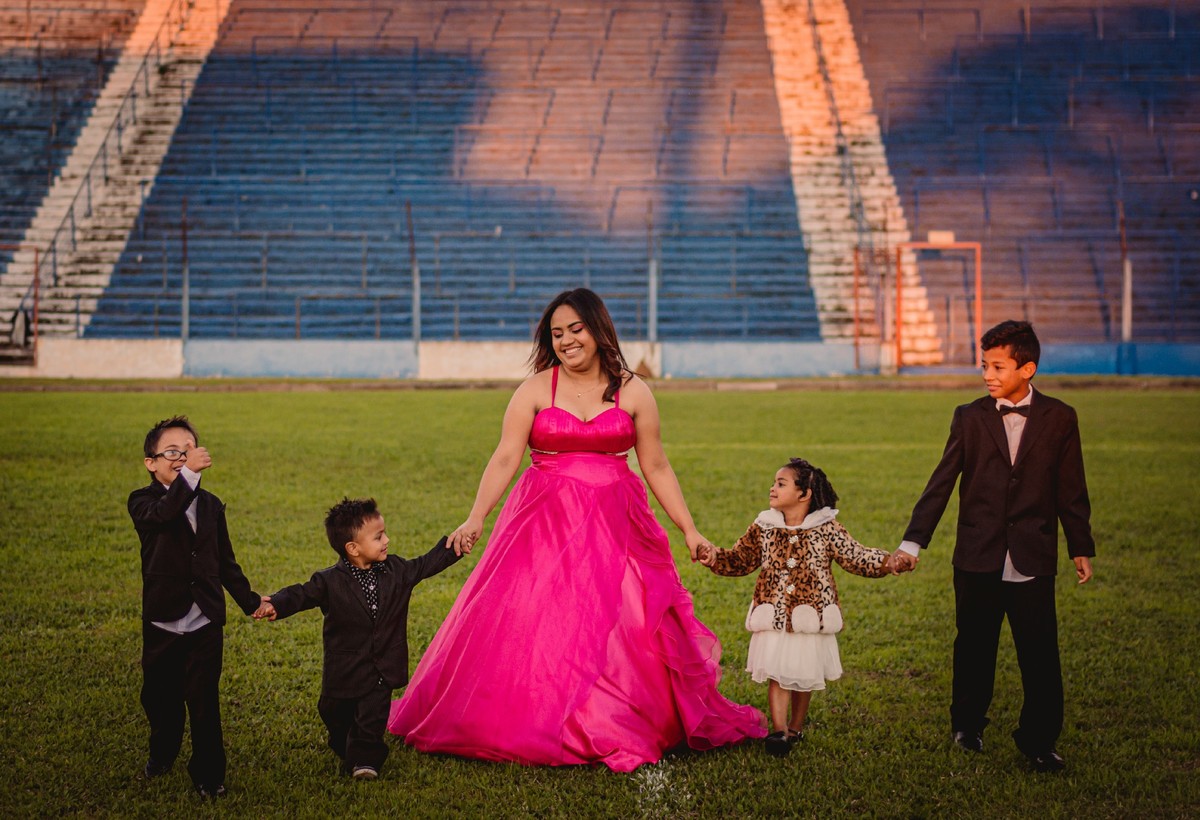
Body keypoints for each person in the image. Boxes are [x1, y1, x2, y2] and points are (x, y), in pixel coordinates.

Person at [387, 287, 766, 771]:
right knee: (534, 615)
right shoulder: (534, 389)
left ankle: (616, 715)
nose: (566, 341)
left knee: (624, 618)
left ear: (597, 328)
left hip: (616, 518)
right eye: (557, 333)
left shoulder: (634, 390)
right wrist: (475, 516)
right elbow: (506, 455)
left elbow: (656, 464)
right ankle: (533, 717)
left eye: (575, 329)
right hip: (542, 521)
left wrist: (689, 530)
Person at [891, 320, 1095, 773]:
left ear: (1028, 368)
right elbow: (940, 483)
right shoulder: (969, 416)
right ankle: (967, 724)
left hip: (1033, 556)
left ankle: (1040, 739)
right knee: (975, 645)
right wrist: (913, 543)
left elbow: (1071, 488)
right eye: (984, 365)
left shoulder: (1062, 418)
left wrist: (1080, 545)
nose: (987, 374)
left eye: (997, 366)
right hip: (977, 554)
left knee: (1040, 651)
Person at [698, 458, 896, 757]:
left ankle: (796, 726)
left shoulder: (826, 528)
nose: (772, 488)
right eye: (774, 483)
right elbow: (741, 559)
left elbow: (855, 556)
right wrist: (714, 557)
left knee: (804, 673)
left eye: (781, 484)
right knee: (778, 672)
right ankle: (779, 732)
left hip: (810, 616)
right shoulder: (764, 526)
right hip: (773, 614)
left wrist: (888, 561)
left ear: (804, 494)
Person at [253, 498, 460, 780]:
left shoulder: (396, 570)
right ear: (353, 548)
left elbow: (425, 564)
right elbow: (303, 594)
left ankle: (366, 761)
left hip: (382, 665)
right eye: (378, 537)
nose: (387, 540)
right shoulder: (329, 581)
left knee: (372, 715)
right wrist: (277, 602)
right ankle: (345, 744)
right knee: (331, 710)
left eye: (385, 533)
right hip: (345, 666)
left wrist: (456, 546)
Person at [128, 415, 264, 799]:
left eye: (188, 450)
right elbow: (166, 513)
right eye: (172, 452)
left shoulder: (211, 505)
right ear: (150, 463)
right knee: (160, 700)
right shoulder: (142, 502)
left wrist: (250, 602)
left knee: (204, 703)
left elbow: (225, 562)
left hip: (204, 621)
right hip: (163, 623)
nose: (181, 457)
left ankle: (208, 775)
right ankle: (163, 749)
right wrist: (187, 474)